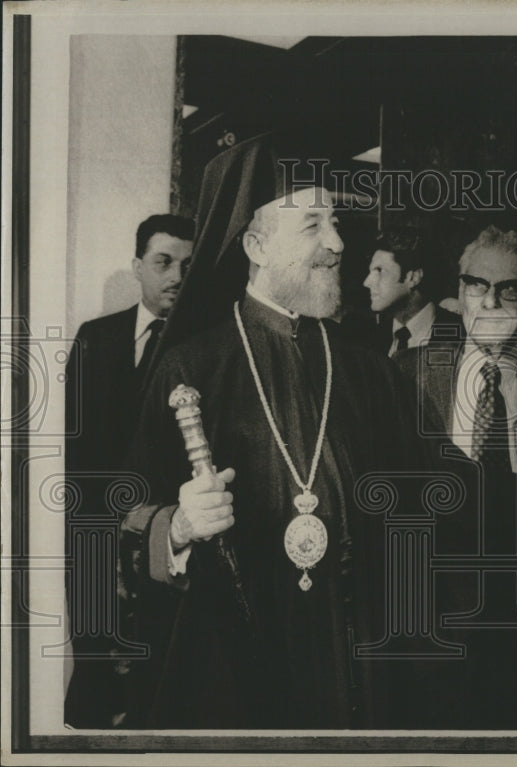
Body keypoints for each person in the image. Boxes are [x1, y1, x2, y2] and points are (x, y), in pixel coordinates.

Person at [119, 133, 447, 729]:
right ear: (255, 245)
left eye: (337, 222)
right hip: (234, 667)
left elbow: (436, 496)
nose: (338, 243)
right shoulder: (189, 369)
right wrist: (179, 525)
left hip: (359, 660)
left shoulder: (372, 372)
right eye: (313, 224)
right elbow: (126, 515)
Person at [394, 225, 517, 729]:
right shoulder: (406, 376)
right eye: (477, 284)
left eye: (509, 288)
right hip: (433, 612)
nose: (490, 300)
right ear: (458, 291)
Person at [63, 213, 194, 728]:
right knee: (95, 680)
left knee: (158, 686)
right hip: (96, 545)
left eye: (187, 264)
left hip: (169, 551)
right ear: (137, 266)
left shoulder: (203, 348)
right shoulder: (94, 339)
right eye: (163, 262)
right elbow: (73, 456)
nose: (176, 276)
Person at [362, 224, 462, 357]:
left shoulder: (462, 335)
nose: (367, 282)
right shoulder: (369, 341)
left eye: (380, 271)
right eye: (371, 271)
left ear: (413, 278)